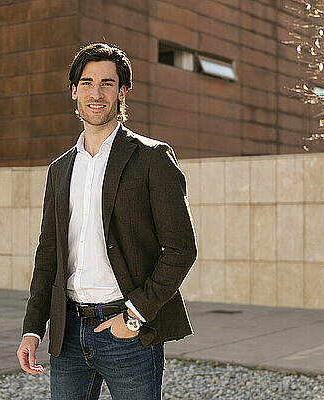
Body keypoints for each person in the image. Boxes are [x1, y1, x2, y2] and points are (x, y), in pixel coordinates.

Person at [16, 42, 197, 400]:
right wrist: (33, 329)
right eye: (86, 83)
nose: (95, 93)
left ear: (122, 91)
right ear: (73, 91)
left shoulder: (152, 158)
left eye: (107, 83)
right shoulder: (59, 169)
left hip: (125, 333)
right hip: (66, 334)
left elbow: (181, 249)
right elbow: (48, 254)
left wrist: (134, 317)